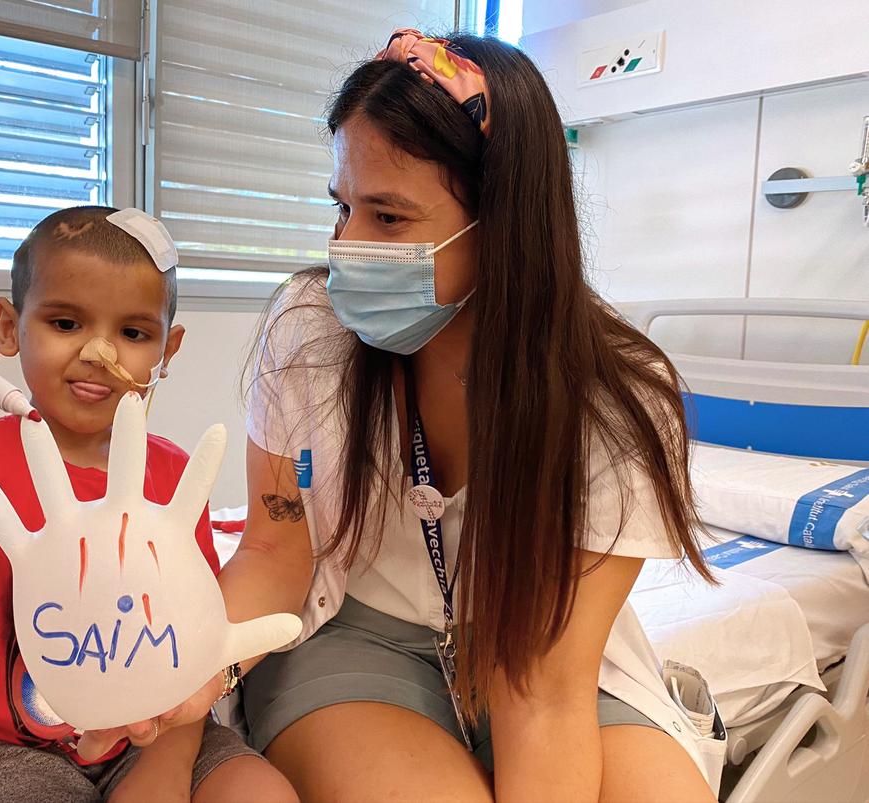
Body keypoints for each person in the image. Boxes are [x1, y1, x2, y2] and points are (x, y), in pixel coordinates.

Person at [152, 29, 724, 803]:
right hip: (354, 631)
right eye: (341, 205)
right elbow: (272, 552)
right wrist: (186, 674)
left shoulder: (615, 401)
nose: (344, 245)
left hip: (538, 651)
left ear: (503, 225)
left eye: (387, 218)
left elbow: (546, 687)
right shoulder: (311, 329)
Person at [0, 206, 297, 803]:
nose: (98, 351)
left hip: (157, 732)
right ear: (9, 326)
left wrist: (161, 771)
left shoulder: (175, 478)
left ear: (168, 349)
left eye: (133, 334)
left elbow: (189, 651)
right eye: (65, 323)